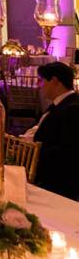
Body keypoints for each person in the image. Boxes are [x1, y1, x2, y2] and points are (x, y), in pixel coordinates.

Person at [25, 62, 79, 199]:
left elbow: (68, 150)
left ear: (54, 81)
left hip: (56, 182)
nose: (39, 85)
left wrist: (32, 151)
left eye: (42, 81)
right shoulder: (59, 104)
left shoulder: (73, 108)